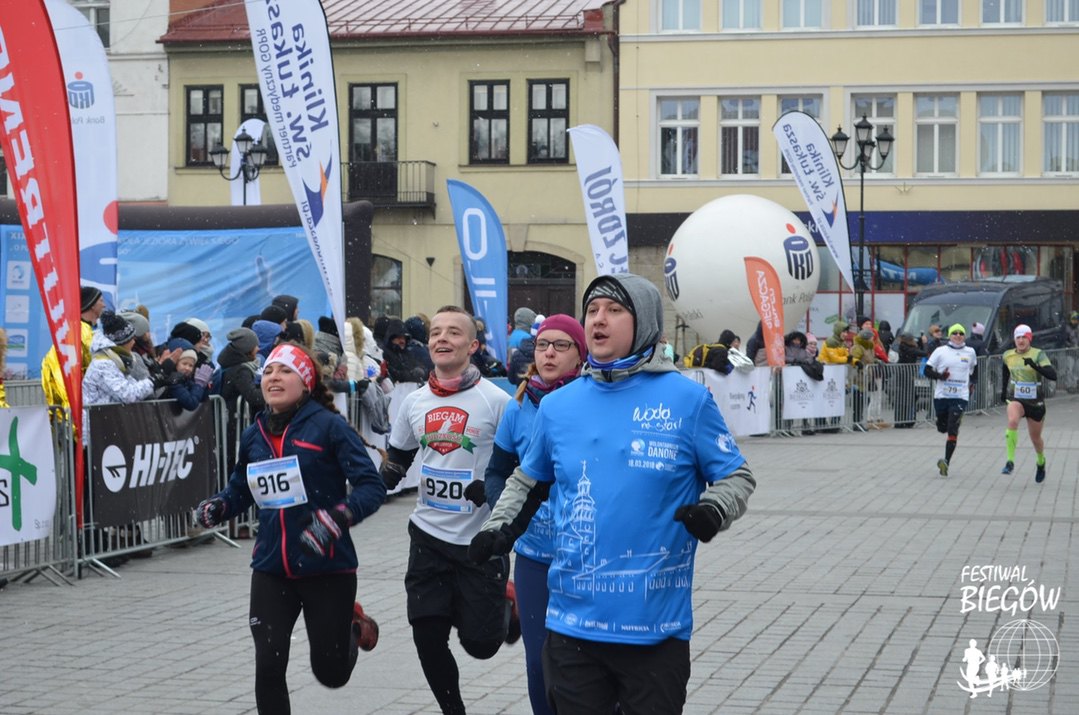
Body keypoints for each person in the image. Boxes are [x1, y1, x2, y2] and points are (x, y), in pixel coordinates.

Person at [468, 274, 756, 714]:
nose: (599, 319)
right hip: (572, 628)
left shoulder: (688, 400)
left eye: (614, 310)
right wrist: (497, 530)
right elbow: (528, 481)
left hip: (654, 631)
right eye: (592, 310)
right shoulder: (558, 407)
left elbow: (737, 475)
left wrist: (713, 508)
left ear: (644, 322)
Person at [194, 342, 384, 715]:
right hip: (271, 566)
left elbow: (371, 486)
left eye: (285, 371)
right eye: (268, 371)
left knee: (331, 673)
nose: (274, 378)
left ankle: (351, 625)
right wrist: (220, 505)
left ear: (306, 382)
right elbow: (242, 489)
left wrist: (337, 518)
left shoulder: (329, 427)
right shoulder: (254, 434)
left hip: (326, 566)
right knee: (268, 663)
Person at [379, 305, 514, 715]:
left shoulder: (497, 402)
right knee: (427, 633)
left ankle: (506, 605)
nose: (442, 338)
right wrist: (373, 480)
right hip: (428, 536)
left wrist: (490, 488)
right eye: (436, 332)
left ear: (472, 346)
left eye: (453, 332)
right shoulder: (415, 402)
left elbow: (521, 467)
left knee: (481, 644)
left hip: (479, 541)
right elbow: (398, 460)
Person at [481, 314, 586, 715]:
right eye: (543, 345)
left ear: (580, 355)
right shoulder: (519, 406)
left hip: (587, 555)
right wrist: (504, 516)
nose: (549, 353)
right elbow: (497, 471)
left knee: (587, 662)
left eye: (561, 345)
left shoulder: (594, 402)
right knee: (539, 661)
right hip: (534, 554)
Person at [1000, 324, 1057, 482]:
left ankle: (1041, 461)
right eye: (1018, 337)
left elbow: (1053, 375)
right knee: (1012, 421)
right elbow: (1005, 371)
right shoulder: (1008, 355)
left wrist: (1035, 366)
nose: (1021, 340)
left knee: (1035, 439)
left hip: (1035, 402)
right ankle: (1010, 461)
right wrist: (1003, 391)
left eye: (1024, 337)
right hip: (1017, 399)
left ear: (1029, 339)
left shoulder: (1038, 354)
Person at [923, 324, 977, 477]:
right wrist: (940, 376)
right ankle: (945, 424)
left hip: (960, 396)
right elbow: (927, 370)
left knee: (953, 427)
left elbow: (974, 371)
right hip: (942, 396)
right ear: (950, 336)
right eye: (955, 333)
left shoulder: (970, 352)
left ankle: (946, 461)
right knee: (942, 428)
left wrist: (972, 384)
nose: (958, 336)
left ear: (964, 336)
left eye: (961, 333)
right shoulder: (940, 351)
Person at [41, 286, 105, 413]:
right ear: (92, 305)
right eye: (101, 301)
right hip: (72, 406)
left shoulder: (77, 330)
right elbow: (75, 369)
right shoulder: (79, 332)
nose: (104, 305)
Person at [892, 332, 927, 428]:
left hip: (903, 374)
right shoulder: (909, 349)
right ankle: (906, 420)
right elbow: (924, 353)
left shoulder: (903, 347)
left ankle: (900, 421)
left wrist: (920, 342)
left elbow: (917, 350)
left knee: (902, 397)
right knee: (908, 397)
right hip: (906, 375)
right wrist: (924, 343)